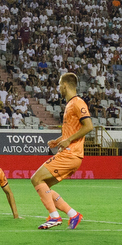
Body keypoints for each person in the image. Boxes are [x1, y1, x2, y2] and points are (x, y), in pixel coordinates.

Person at [34, 72, 90, 230]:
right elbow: (71, 132)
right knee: (44, 186)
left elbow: (89, 126)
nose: (58, 88)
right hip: (70, 153)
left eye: (59, 85)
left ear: (65, 85)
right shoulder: (71, 104)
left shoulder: (78, 103)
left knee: (36, 179)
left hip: (71, 153)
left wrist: (68, 141)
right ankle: (73, 214)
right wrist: (59, 140)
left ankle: (54, 217)